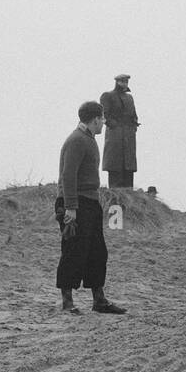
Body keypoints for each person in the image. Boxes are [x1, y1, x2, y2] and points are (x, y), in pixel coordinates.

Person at [55, 101, 127, 315]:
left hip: (90, 202)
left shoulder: (88, 139)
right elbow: (68, 176)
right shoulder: (77, 140)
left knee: (97, 252)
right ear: (95, 119)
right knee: (73, 252)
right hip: (76, 203)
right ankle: (67, 303)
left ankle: (99, 300)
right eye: (102, 119)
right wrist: (70, 208)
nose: (104, 123)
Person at [100, 74, 139, 188]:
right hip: (115, 138)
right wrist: (114, 126)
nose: (125, 84)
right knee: (115, 168)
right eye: (122, 81)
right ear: (117, 82)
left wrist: (133, 127)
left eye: (126, 82)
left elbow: (134, 115)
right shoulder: (107, 96)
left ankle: (129, 194)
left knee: (128, 170)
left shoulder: (129, 98)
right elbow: (104, 114)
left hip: (129, 138)